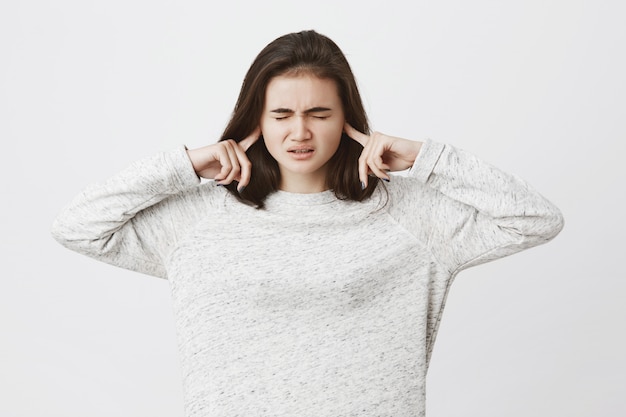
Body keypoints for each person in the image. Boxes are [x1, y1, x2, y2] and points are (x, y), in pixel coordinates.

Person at [52, 30, 564, 417]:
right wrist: (184, 166)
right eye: (281, 115)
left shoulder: (409, 215)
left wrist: (425, 157)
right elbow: (78, 226)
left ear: (347, 121)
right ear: (255, 121)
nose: (300, 131)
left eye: (319, 113)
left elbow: (534, 219)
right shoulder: (200, 219)